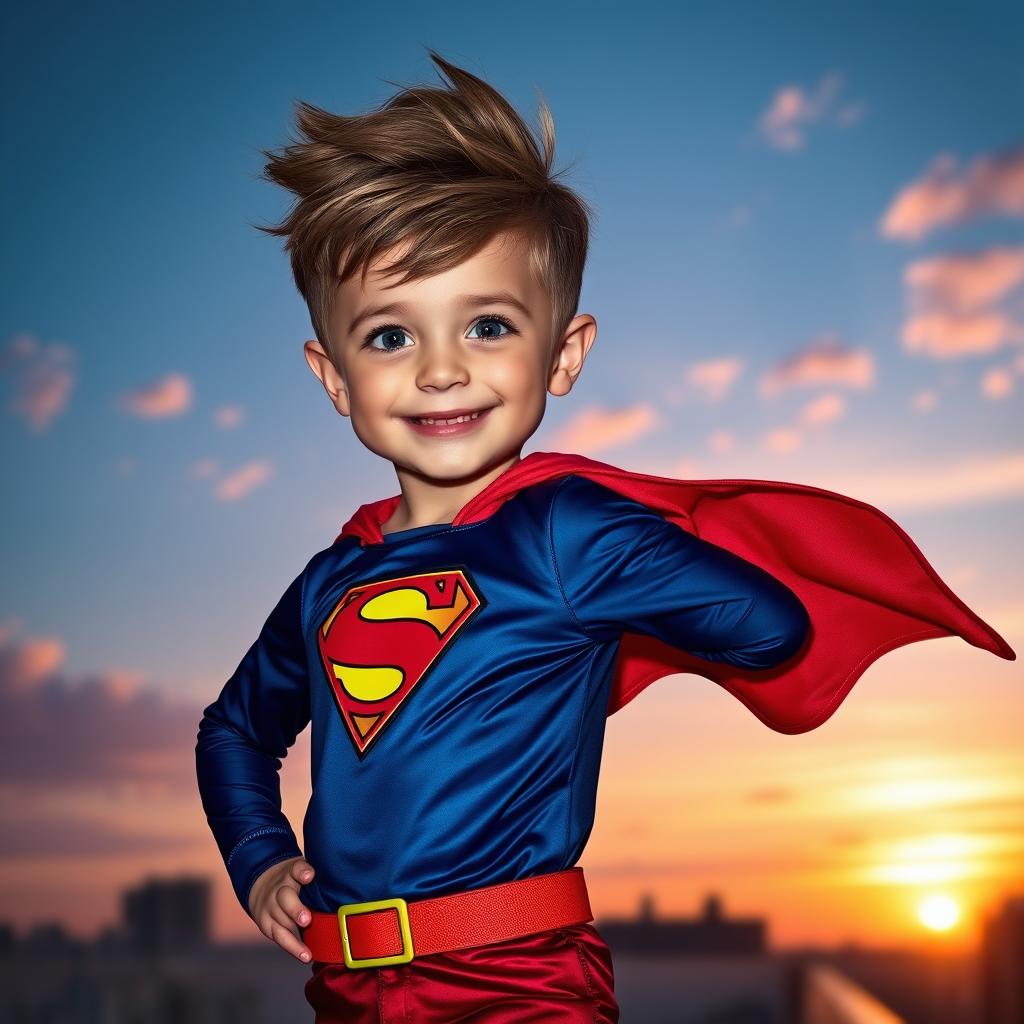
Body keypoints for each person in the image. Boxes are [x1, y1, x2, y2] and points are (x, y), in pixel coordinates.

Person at [196, 50, 1013, 1023]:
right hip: (344, 990)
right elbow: (236, 729)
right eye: (389, 335)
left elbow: (771, 629)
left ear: (563, 353)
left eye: (488, 325)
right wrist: (256, 859)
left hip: (519, 985)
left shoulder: (563, 533)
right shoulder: (328, 579)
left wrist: (600, 566)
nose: (442, 370)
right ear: (333, 378)